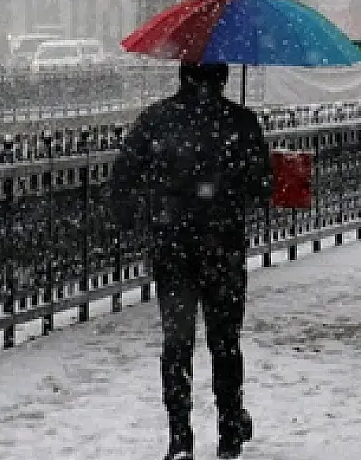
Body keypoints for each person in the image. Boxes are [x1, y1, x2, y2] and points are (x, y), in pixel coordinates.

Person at [112, 62, 272, 460]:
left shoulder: (154, 121)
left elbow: (122, 185)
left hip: (173, 249)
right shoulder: (240, 122)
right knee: (225, 342)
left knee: (177, 342)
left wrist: (147, 213)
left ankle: (180, 436)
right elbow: (262, 186)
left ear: (182, 76)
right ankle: (230, 428)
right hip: (223, 248)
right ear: (223, 78)